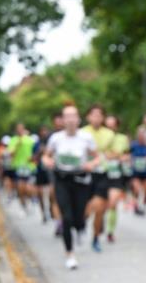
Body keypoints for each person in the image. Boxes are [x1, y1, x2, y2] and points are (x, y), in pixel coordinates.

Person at [42, 103, 100, 270]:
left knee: (79, 216)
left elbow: (97, 157)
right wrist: (48, 161)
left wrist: (91, 164)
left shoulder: (86, 137)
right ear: (62, 120)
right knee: (66, 218)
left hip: (81, 180)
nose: (70, 120)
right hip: (62, 180)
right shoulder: (56, 138)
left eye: (73, 116)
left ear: (78, 119)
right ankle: (70, 254)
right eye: (67, 116)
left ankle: (80, 227)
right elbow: (46, 156)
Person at [80, 105, 115, 252]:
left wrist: (108, 156)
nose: (96, 118)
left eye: (99, 115)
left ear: (103, 118)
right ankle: (82, 222)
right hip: (85, 173)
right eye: (93, 115)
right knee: (86, 209)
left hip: (102, 173)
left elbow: (113, 153)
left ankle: (95, 238)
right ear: (88, 117)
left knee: (100, 208)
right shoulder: (82, 133)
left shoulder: (109, 134)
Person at [103, 115, 131, 243]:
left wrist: (119, 157)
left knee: (113, 203)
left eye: (112, 126)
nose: (110, 129)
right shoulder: (100, 136)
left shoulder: (122, 138)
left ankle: (110, 230)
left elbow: (126, 155)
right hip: (102, 174)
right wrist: (113, 155)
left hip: (116, 174)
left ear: (117, 126)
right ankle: (99, 221)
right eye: (107, 126)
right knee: (102, 204)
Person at [8, 123, 36, 216]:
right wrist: (17, 145)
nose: (20, 130)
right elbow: (10, 154)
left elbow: (35, 151)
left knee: (28, 188)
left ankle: (31, 200)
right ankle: (23, 207)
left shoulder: (29, 139)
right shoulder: (13, 140)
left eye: (21, 128)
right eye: (18, 129)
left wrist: (34, 158)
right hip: (18, 167)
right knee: (20, 189)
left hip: (29, 166)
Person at [130, 126, 146, 215]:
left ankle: (145, 204)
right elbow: (127, 155)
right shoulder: (133, 145)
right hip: (136, 172)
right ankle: (137, 206)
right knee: (137, 189)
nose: (141, 136)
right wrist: (131, 160)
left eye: (143, 134)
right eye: (140, 134)